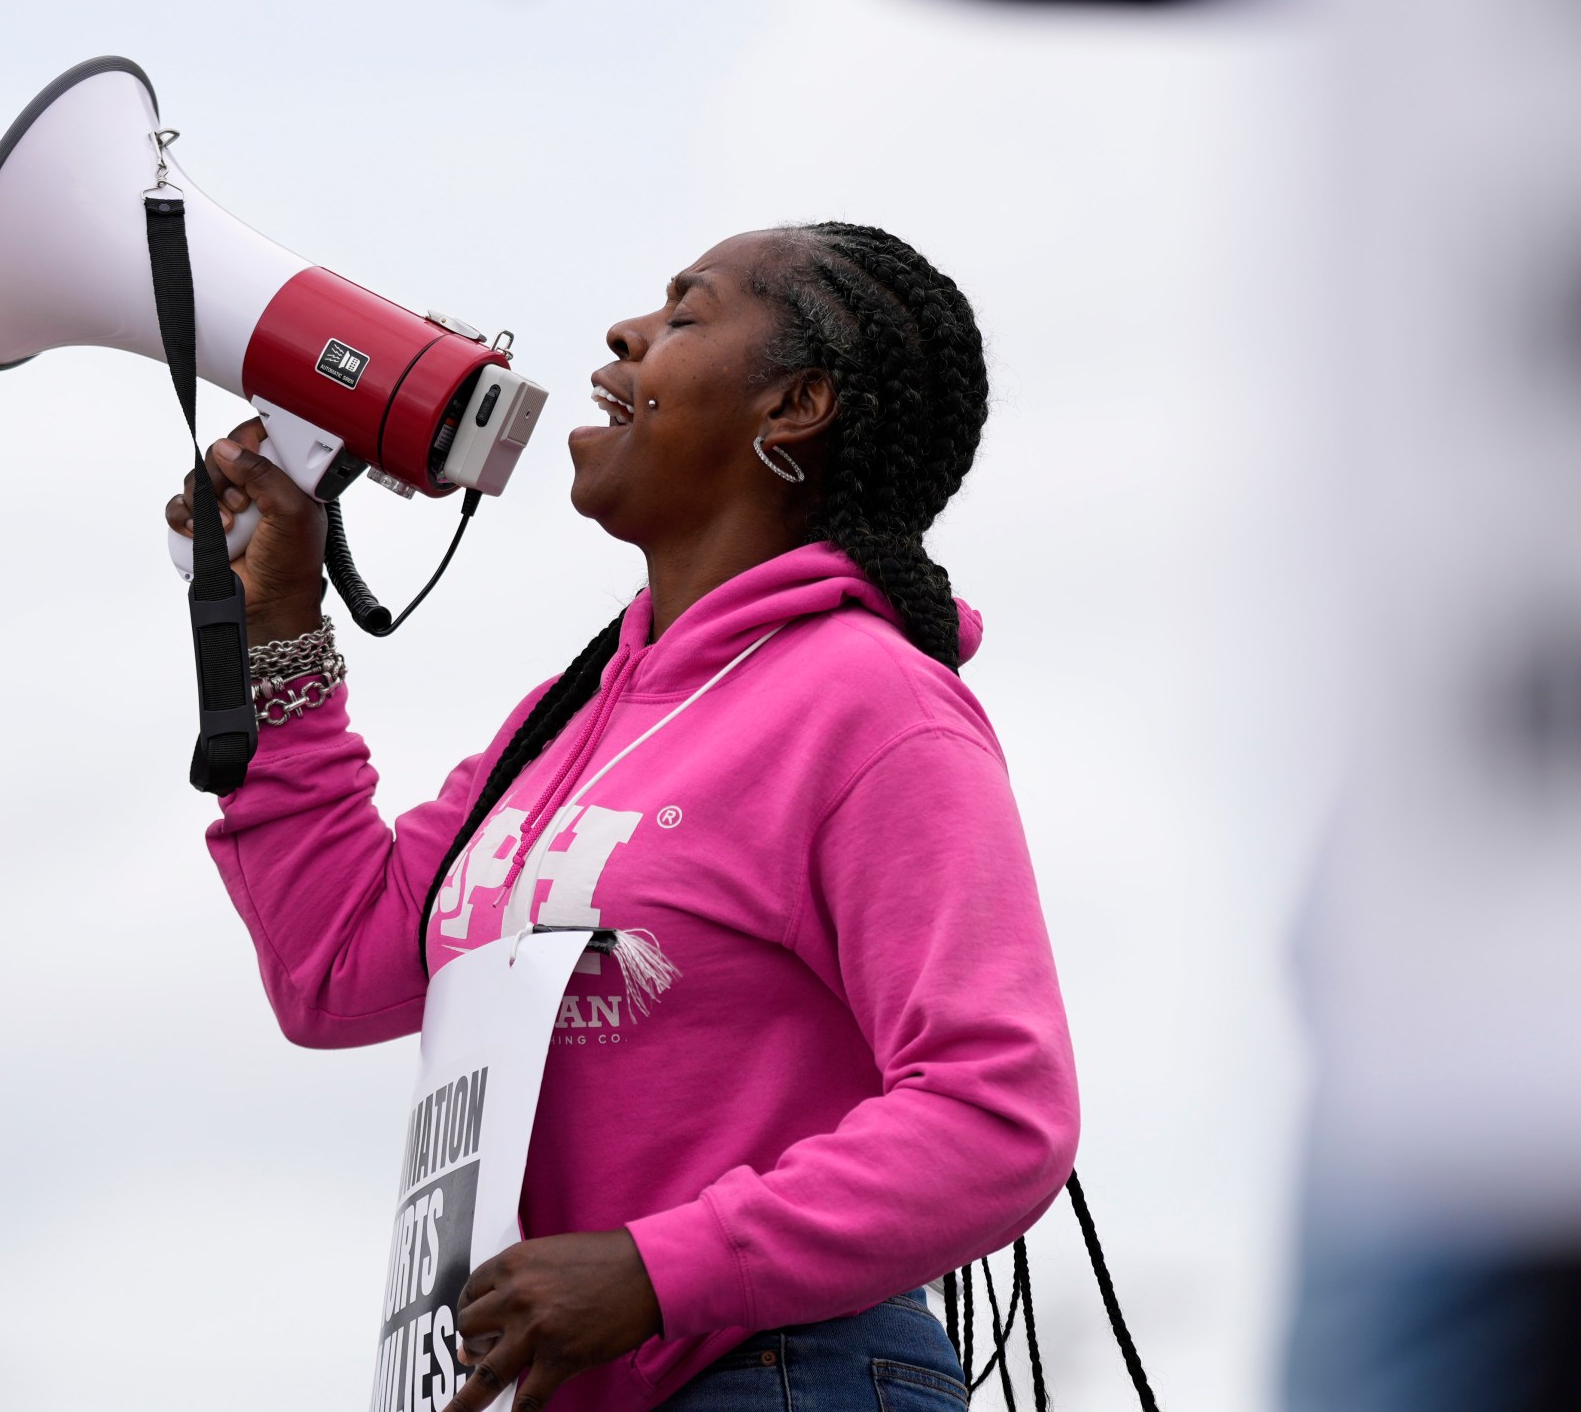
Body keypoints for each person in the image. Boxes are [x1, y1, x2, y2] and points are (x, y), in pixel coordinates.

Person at [165, 223, 1078, 1412]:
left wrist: (661, 1271)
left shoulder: (873, 705)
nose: (623, 335)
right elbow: (334, 971)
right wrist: (278, 629)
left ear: (796, 404)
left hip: (778, 1375)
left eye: (685, 314)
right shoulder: (569, 721)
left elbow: (998, 1110)